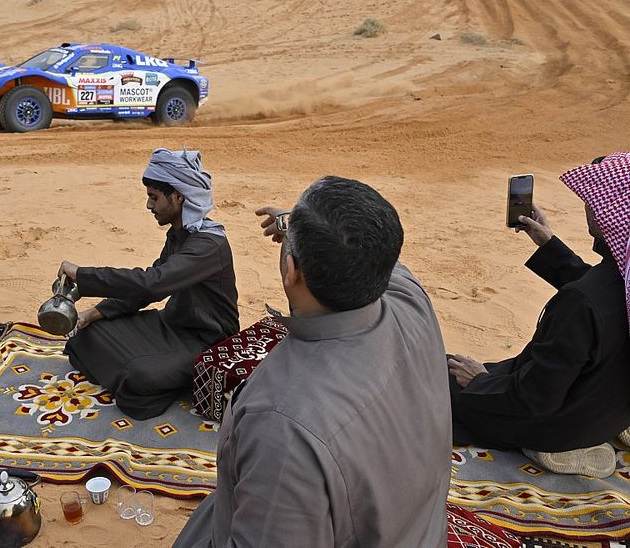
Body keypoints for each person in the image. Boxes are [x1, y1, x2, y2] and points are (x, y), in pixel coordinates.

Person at [174, 176, 451, 547]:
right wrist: (301, 227)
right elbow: (364, 248)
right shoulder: (408, 297)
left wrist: (296, 229)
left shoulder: (282, 425)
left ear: (291, 270)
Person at [448, 153, 630, 478]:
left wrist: (480, 381)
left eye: (594, 198)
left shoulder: (582, 302)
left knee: (434, 384)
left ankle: (554, 446)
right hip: (604, 411)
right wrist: (548, 244)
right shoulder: (618, 280)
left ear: (610, 214)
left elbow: (533, 399)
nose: (587, 204)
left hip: (557, 423)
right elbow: (604, 301)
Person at [57, 148, 240, 420]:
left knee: (137, 378)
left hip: (207, 342)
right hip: (171, 323)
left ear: (178, 196)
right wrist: (92, 314)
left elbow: (153, 284)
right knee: (86, 336)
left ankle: (173, 380)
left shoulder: (208, 244)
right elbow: (147, 287)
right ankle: (152, 372)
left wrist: (83, 276)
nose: (149, 206)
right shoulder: (179, 234)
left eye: (154, 197)